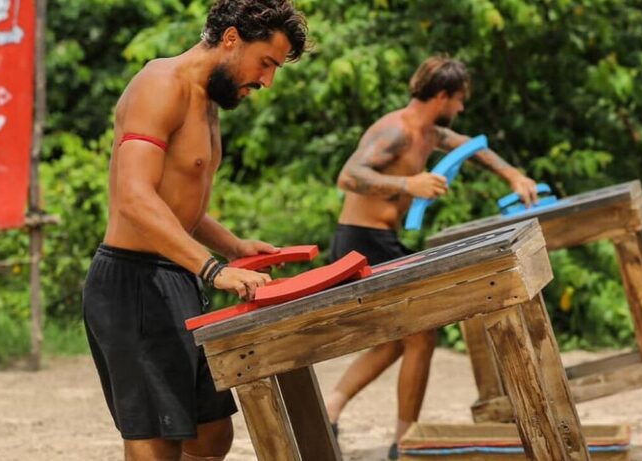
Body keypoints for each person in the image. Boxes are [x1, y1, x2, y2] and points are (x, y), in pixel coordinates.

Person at [81, 1, 308, 460]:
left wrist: (233, 246)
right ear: (231, 39)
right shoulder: (160, 84)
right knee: (157, 443)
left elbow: (176, 204)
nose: (267, 81)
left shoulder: (207, 100)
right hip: (134, 284)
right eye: (265, 63)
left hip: (176, 278)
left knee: (211, 435)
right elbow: (134, 198)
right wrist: (213, 268)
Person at [325, 55, 539, 459]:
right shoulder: (396, 130)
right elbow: (349, 176)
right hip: (361, 242)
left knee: (399, 341)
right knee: (421, 334)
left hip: (381, 239)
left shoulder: (430, 133)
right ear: (441, 96)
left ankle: (331, 411)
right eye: (458, 99)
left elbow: (472, 148)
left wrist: (514, 175)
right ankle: (405, 442)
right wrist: (409, 184)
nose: (461, 108)